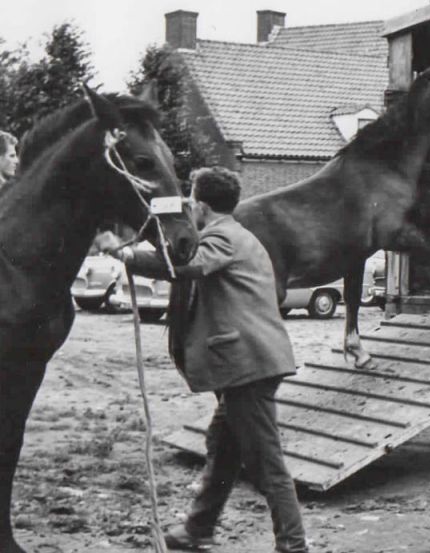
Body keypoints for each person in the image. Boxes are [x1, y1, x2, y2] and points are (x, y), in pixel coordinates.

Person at [98, 167, 308, 553]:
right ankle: (197, 530)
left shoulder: (223, 238)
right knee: (224, 449)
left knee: (268, 463)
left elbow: (186, 265)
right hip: (251, 363)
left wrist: (123, 252)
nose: (190, 209)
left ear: (202, 206)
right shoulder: (237, 234)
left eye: (192, 203)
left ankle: (293, 546)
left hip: (248, 366)